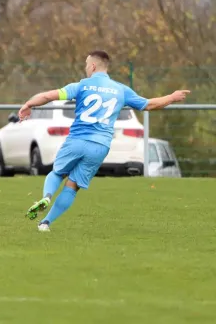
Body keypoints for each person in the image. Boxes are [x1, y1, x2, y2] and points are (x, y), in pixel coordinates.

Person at [21, 50, 190, 231]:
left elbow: (48, 96)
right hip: (100, 146)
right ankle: (45, 223)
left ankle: (46, 196)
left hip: (77, 140)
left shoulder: (81, 86)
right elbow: (149, 105)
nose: (86, 68)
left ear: (93, 66)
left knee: (57, 173)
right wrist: (171, 97)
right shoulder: (120, 90)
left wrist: (28, 105)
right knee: (73, 185)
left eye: (87, 65)